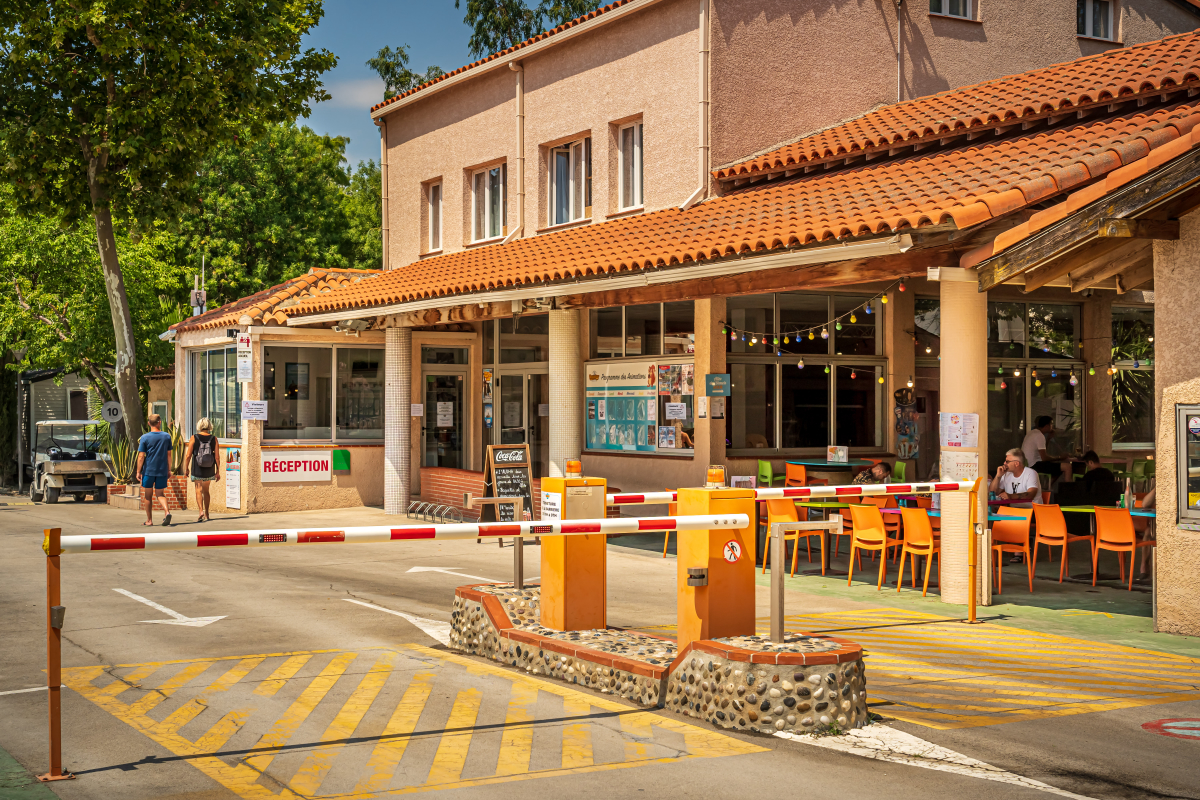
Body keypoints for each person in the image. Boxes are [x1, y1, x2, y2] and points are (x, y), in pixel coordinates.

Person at [136, 414, 174, 526]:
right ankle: (167, 511)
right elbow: (169, 455)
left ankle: (149, 520)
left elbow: (141, 456)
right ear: (160, 422)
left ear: (148, 423)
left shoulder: (144, 438)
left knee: (148, 496)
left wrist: (138, 471)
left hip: (148, 470)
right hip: (162, 470)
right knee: (160, 494)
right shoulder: (166, 436)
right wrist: (169, 469)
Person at [182, 417, 221, 522]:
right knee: (206, 491)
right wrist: (218, 471)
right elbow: (217, 457)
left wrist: (186, 468)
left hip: (197, 467)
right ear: (209, 426)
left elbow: (188, 455)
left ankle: (201, 511)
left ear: (199, 426)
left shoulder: (194, 437)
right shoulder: (214, 438)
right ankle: (207, 514)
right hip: (209, 468)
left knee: (198, 490)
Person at [1021, 416, 1071, 484]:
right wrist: (1060, 457)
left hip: (1028, 464)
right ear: (1047, 426)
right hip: (1035, 465)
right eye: (1051, 424)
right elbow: (1044, 458)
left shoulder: (1032, 433)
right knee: (1067, 467)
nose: (1052, 426)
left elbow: (1043, 451)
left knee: (1058, 467)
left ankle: (1046, 486)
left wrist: (1048, 438)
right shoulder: (1039, 436)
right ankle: (1069, 491)